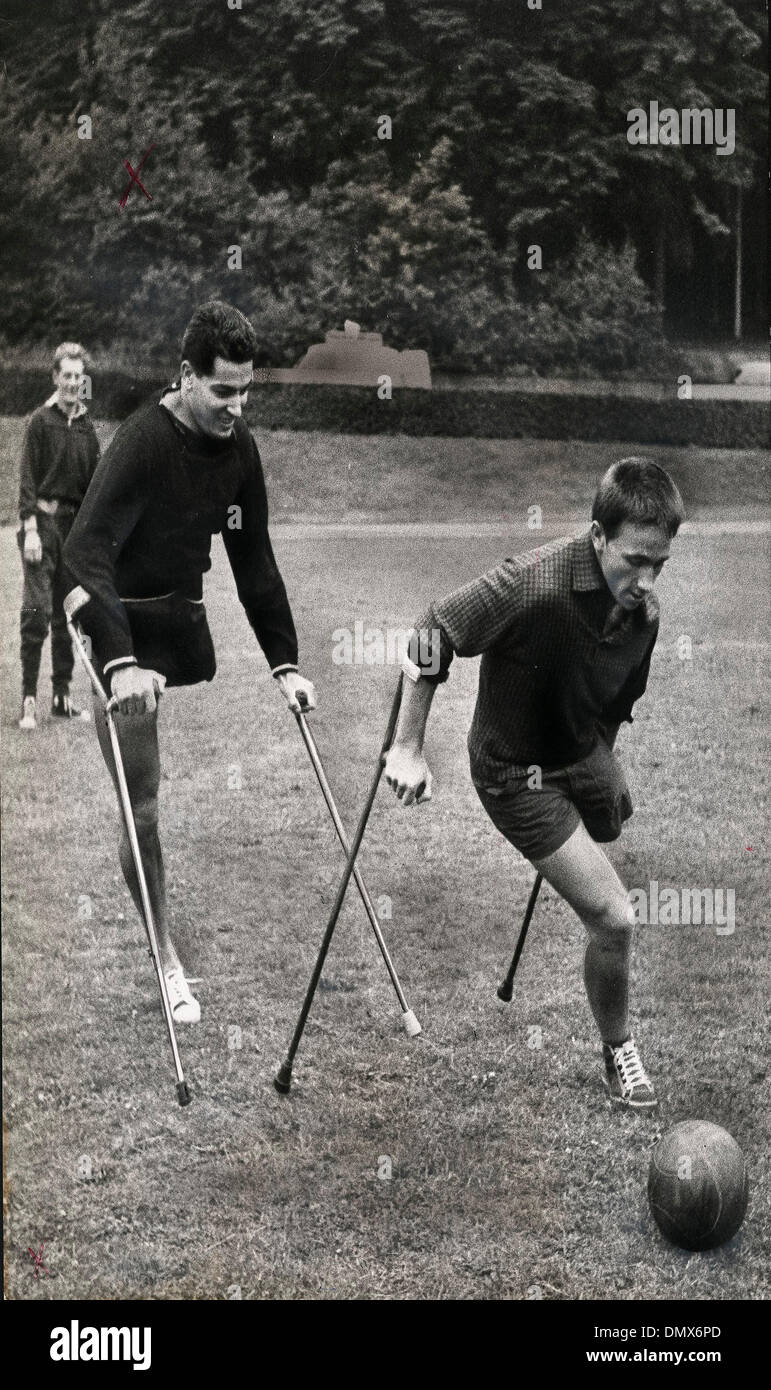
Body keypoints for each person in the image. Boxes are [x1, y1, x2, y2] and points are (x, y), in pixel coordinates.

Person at [384, 458, 686, 1111]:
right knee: (612, 917)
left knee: (614, 813)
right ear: (598, 536)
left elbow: (614, 702)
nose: (646, 580)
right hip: (512, 770)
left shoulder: (644, 617)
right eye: (634, 560)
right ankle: (618, 1052)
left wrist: (595, 763)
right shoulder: (536, 583)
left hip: (577, 751)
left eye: (659, 563)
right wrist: (406, 747)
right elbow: (432, 629)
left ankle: (586, 808)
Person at [63, 301, 316, 1024]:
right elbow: (84, 557)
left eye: (246, 391)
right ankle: (167, 959)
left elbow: (255, 560)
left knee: (146, 795)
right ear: (185, 376)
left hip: (177, 622)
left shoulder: (238, 450)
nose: (237, 407)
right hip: (112, 622)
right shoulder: (143, 442)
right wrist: (118, 666)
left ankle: (168, 952)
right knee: (142, 806)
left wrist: (285, 664)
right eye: (222, 392)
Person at [17, 342, 101, 729]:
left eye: (77, 376)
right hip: (41, 527)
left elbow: (93, 492)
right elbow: (27, 481)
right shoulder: (40, 421)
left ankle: (61, 698)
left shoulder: (87, 429)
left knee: (68, 615)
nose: (71, 382)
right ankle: (29, 700)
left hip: (72, 533)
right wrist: (30, 528)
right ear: (55, 377)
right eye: (65, 375)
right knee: (36, 611)